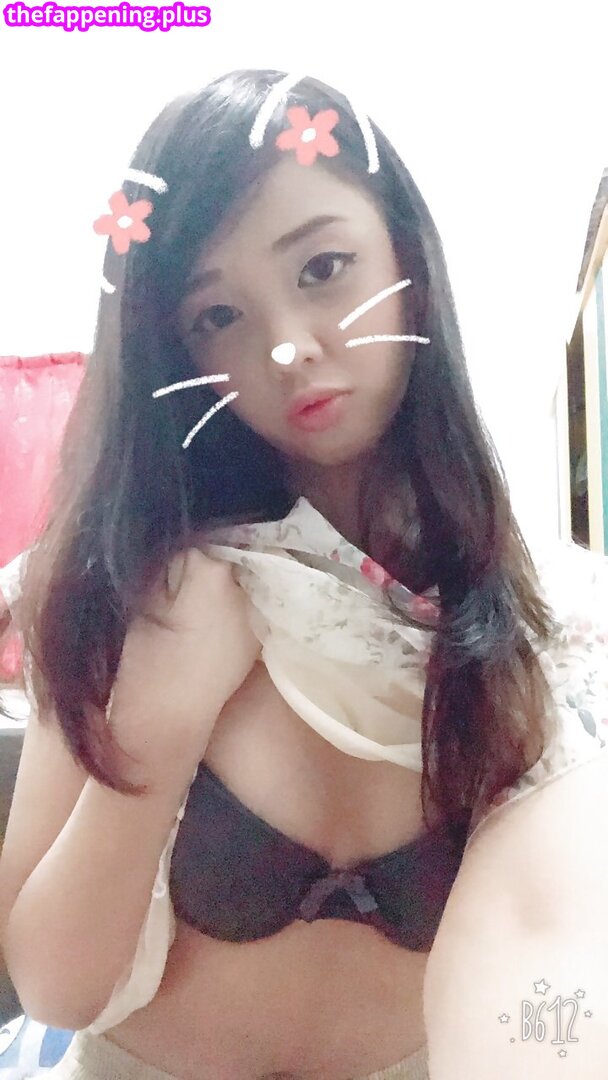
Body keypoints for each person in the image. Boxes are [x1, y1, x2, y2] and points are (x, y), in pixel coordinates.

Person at [0, 69, 606, 1080]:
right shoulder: (128, 581)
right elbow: (55, 989)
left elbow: (558, 1001)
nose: (287, 345)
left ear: (407, 258)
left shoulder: (546, 627)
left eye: (322, 267)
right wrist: (160, 722)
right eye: (217, 316)